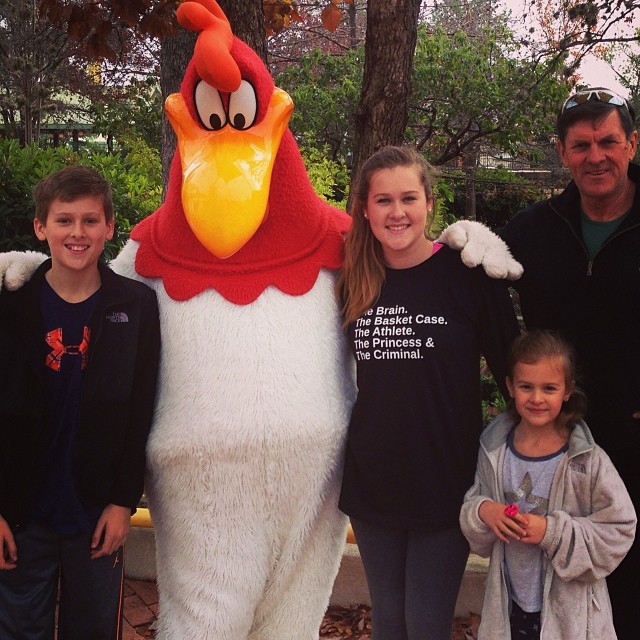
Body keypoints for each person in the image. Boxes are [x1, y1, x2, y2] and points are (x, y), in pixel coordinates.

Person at [441, 86, 640, 639]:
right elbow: (483, 281)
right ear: (561, 151)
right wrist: (461, 242)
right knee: (553, 596)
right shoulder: (534, 228)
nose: (595, 156)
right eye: (581, 145)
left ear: (632, 143)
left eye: (608, 141)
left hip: (631, 441)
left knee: (629, 591)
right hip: (549, 440)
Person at [336, 145, 520, 640]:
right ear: (365, 209)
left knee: (426, 624)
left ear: (429, 204)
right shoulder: (349, 279)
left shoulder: (469, 275)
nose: (397, 212)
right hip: (373, 479)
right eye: (383, 201)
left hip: (446, 480)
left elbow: (515, 375)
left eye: (408, 198)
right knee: (389, 624)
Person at [0, 165, 161, 639]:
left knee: (91, 629)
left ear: (109, 227)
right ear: (40, 227)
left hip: (95, 511)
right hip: (20, 509)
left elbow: (140, 411)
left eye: (90, 220)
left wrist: (121, 502)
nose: (78, 232)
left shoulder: (134, 305)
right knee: (16, 627)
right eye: (64, 219)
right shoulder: (10, 305)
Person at [460, 329, 636, 640]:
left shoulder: (587, 460)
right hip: (509, 607)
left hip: (571, 616)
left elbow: (620, 527)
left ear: (567, 391)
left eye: (549, 388)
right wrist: (485, 511)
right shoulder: (493, 449)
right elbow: (474, 509)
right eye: (527, 386)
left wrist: (552, 533)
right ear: (511, 387)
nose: (537, 398)